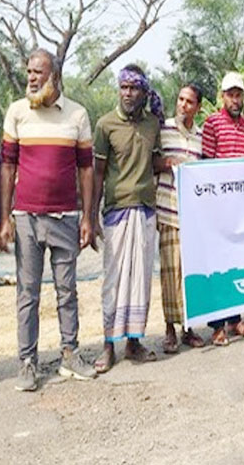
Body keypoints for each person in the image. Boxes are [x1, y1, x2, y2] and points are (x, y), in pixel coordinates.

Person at [0, 49, 97, 391]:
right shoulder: (17, 112)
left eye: (39, 72)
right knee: (28, 293)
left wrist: (87, 217)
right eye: (28, 71)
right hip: (26, 217)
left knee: (67, 290)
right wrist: (5, 219)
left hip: (66, 216)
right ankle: (28, 363)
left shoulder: (77, 115)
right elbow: (7, 167)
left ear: (55, 75)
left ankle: (70, 354)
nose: (31, 77)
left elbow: (87, 168)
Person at [92, 64, 162, 373]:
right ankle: (109, 345)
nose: (128, 93)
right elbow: (97, 172)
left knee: (141, 281)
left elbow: (155, 161)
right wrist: (90, 216)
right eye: (123, 88)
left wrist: (175, 163)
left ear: (144, 92)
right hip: (117, 211)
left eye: (134, 88)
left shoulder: (152, 125)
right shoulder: (106, 124)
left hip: (145, 208)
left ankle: (133, 343)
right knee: (114, 280)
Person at [201, 72, 244, 345]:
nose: (235, 100)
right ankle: (217, 325)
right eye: (230, 95)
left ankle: (236, 320)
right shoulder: (212, 123)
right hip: (219, 207)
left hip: (242, 207)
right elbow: (207, 165)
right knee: (218, 265)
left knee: (238, 263)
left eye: (239, 95)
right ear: (222, 96)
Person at [154, 83, 207, 354]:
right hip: (168, 208)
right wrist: (167, 163)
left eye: (189, 102)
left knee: (188, 272)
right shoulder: (164, 130)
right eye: (181, 99)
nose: (183, 105)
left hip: (192, 215)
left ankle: (188, 328)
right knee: (169, 272)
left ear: (197, 107)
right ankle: (169, 329)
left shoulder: (201, 136)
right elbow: (151, 163)